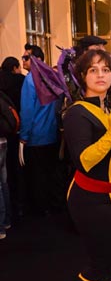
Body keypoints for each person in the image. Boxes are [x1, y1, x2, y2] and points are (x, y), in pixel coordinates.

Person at [63, 49, 111, 281]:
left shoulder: (108, 108)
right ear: (83, 76)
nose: (101, 75)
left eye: (105, 70)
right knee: (98, 262)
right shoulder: (77, 113)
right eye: (93, 70)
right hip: (90, 198)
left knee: (105, 258)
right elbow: (85, 160)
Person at [19, 44, 63, 216]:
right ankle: (54, 206)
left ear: (36, 59)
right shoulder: (51, 76)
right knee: (52, 172)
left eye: (26, 58)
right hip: (52, 134)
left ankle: (41, 209)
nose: (23, 61)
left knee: (37, 176)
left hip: (36, 136)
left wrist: (23, 136)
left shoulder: (30, 80)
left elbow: (27, 111)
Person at [0, 57, 25, 222]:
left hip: (2, 133)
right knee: (11, 174)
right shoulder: (21, 81)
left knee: (3, 178)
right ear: (15, 67)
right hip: (14, 130)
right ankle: (14, 211)